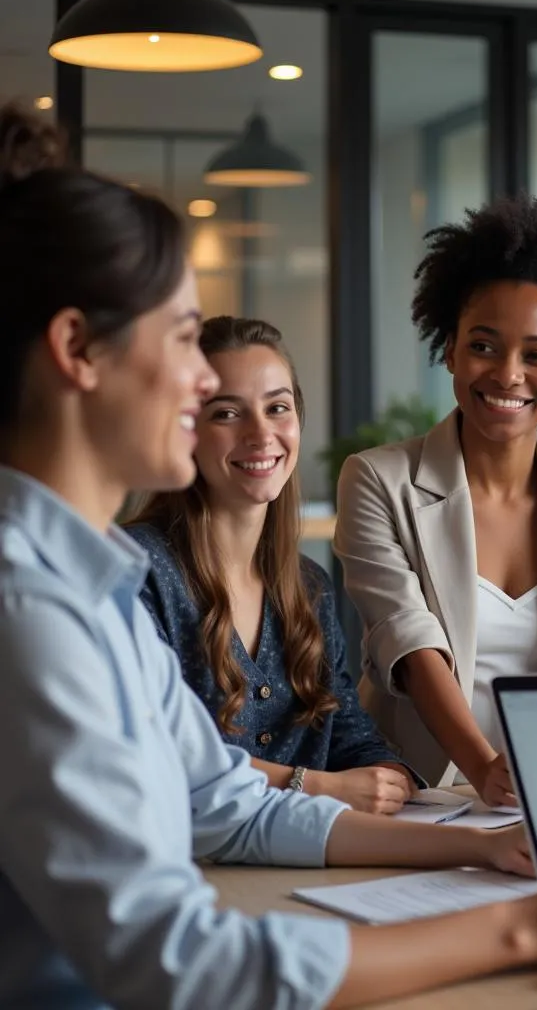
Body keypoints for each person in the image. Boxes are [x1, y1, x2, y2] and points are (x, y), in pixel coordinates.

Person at [0, 101, 537, 1009]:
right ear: (76, 352)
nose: (208, 381)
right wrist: (528, 925)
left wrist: (482, 846)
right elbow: (176, 962)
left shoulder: (94, 593)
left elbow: (235, 808)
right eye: (183, 337)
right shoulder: (30, 610)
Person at [334, 193, 537, 801]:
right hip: (416, 791)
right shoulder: (377, 479)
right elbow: (406, 636)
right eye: (483, 345)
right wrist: (486, 770)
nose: (508, 374)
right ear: (449, 348)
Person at [126, 316, 422, 815]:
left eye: (277, 408)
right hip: (191, 868)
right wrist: (312, 785)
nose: (261, 434)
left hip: (306, 863)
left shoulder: (309, 587)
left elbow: (349, 733)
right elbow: (158, 749)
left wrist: (387, 775)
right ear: (186, 428)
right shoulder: (139, 572)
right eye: (226, 414)